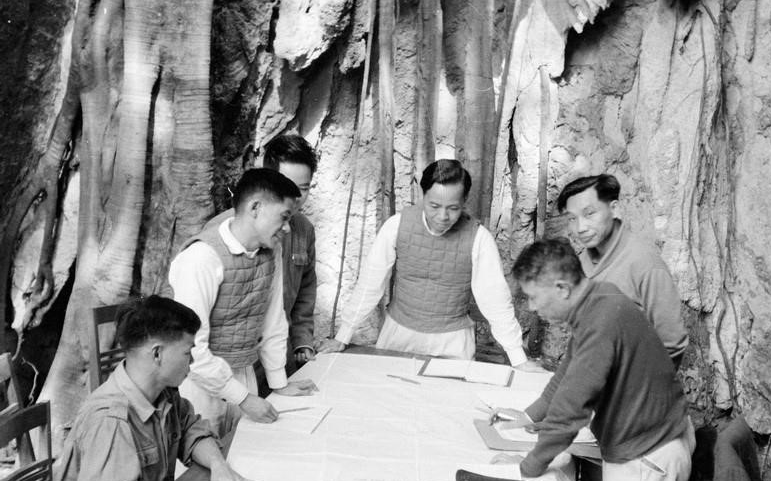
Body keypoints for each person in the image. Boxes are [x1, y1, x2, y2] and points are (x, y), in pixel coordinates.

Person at [492, 238, 694, 481]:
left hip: (645, 459)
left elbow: (568, 415)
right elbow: (569, 370)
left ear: (562, 288)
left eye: (533, 297)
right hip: (664, 437)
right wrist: (530, 415)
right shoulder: (602, 296)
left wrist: (525, 468)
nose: (532, 308)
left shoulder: (600, 324)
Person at [317, 159, 541, 371]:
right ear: (422, 195)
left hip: (452, 341)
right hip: (398, 333)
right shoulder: (396, 226)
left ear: (464, 202)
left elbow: (494, 298)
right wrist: (342, 336)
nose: (442, 216)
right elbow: (370, 282)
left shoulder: (479, 238)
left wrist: (517, 358)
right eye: (434, 205)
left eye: (453, 208)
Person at [52, 296, 262, 481]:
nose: (191, 361)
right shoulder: (110, 420)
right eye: (186, 352)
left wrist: (219, 466)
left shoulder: (163, 391)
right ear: (157, 354)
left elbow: (192, 430)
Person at [168, 168, 317, 436]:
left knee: (245, 457)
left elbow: (274, 322)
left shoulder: (273, 251)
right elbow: (191, 350)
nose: (286, 228)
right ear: (255, 207)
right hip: (197, 387)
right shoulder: (201, 258)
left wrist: (278, 383)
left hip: (244, 376)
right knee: (200, 468)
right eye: (283, 217)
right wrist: (244, 399)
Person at [207, 134, 319, 375]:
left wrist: (302, 340)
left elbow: (305, 291)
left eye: (304, 188)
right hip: (227, 364)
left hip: (279, 352)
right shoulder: (220, 233)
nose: (297, 198)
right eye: (289, 186)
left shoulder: (304, 230)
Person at [557, 174, 688, 367]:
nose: (580, 227)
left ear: (614, 209)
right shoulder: (583, 261)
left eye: (589, 213)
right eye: (571, 218)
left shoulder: (645, 265)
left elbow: (672, 343)